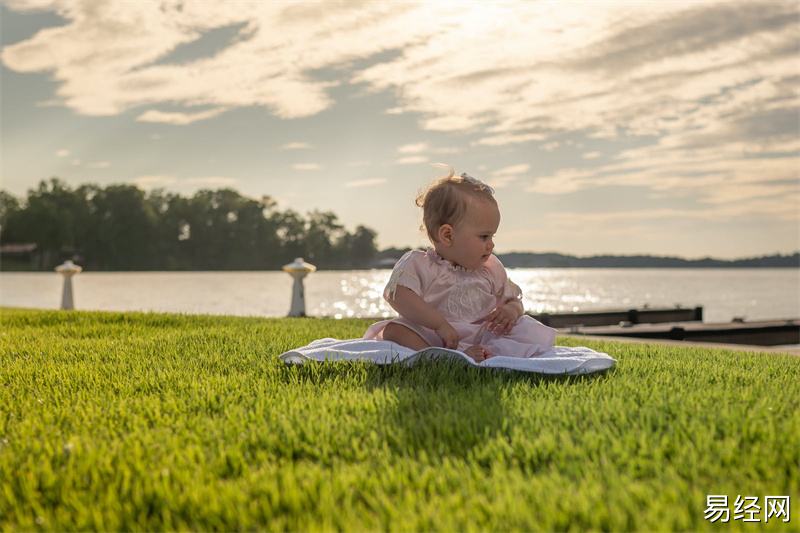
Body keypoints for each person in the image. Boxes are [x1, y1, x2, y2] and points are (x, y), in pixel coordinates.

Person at [364, 165, 557, 362]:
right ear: (448, 235)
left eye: (492, 236)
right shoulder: (420, 264)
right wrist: (439, 324)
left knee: (524, 325)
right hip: (434, 336)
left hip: (480, 336)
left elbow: (513, 299)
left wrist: (511, 310)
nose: (491, 245)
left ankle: (482, 354)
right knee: (394, 330)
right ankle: (439, 357)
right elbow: (400, 297)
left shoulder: (490, 269)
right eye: (483, 236)